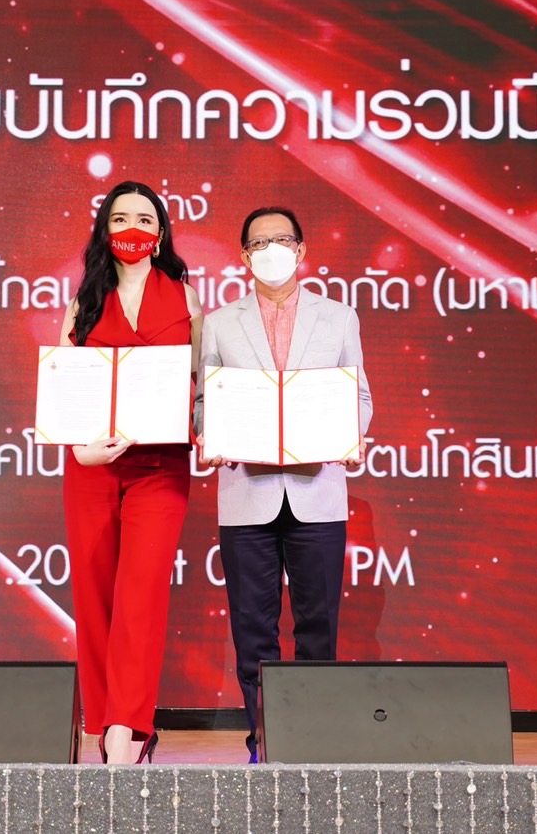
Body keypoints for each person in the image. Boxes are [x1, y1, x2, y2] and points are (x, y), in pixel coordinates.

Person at [195, 206, 372, 763]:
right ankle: (265, 743)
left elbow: (359, 396)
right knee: (254, 629)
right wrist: (209, 433)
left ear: (301, 250)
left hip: (317, 491)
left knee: (317, 625)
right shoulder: (220, 322)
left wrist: (349, 434)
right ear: (243, 256)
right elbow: (204, 400)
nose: (271, 250)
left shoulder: (338, 317)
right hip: (246, 493)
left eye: (282, 240)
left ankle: (312, 744)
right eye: (258, 243)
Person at [58, 180, 202, 764]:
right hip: (93, 468)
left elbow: (202, 386)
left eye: (144, 219)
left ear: (160, 233)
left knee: (141, 596)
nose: (132, 229)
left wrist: (209, 431)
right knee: (94, 599)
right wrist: (80, 450)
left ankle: (127, 729)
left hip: (160, 468)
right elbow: (64, 389)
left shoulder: (187, 300)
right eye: (120, 219)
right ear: (104, 230)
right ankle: (101, 723)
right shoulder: (83, 303)